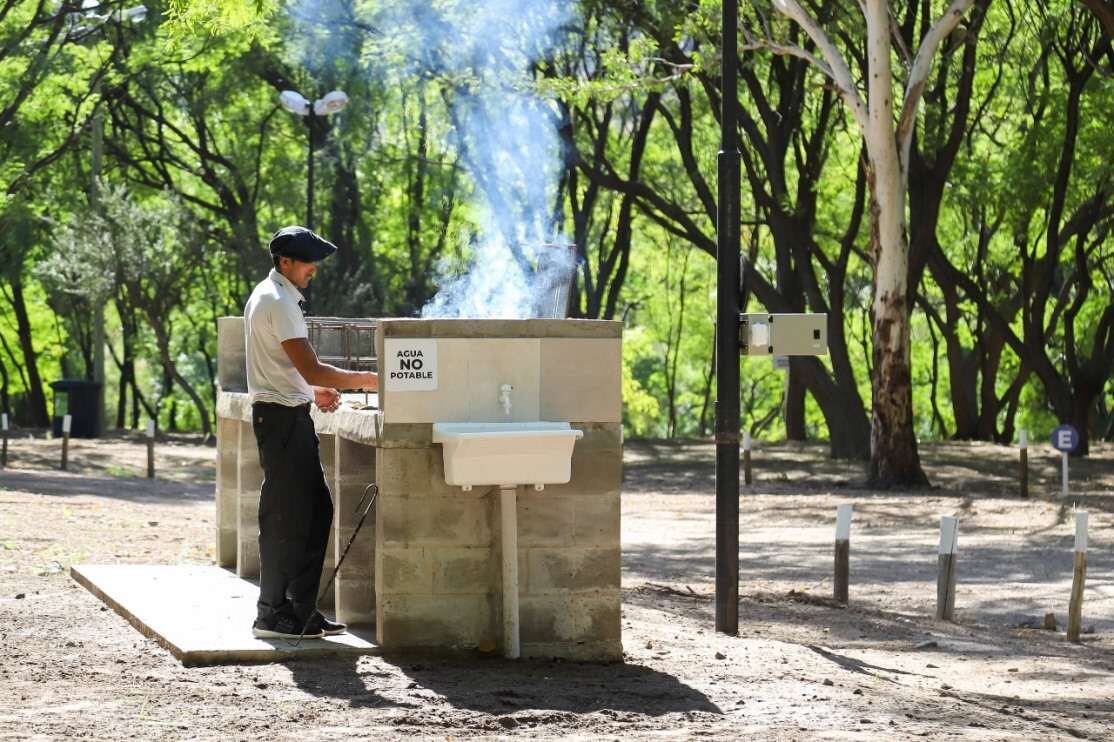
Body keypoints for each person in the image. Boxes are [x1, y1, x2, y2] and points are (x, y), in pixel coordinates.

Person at [244, 225, 378, 640]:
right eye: (307, 261)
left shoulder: (272, 295)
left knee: (314, 511)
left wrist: (313, 389)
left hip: (286, 413)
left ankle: (300, 609)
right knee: (289, 517)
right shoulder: (279, 301)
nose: (314, 268)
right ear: (285, 262)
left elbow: (288, 368)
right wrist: (373, 380)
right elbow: (312, 367)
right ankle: (272, 615)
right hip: (281, 418)